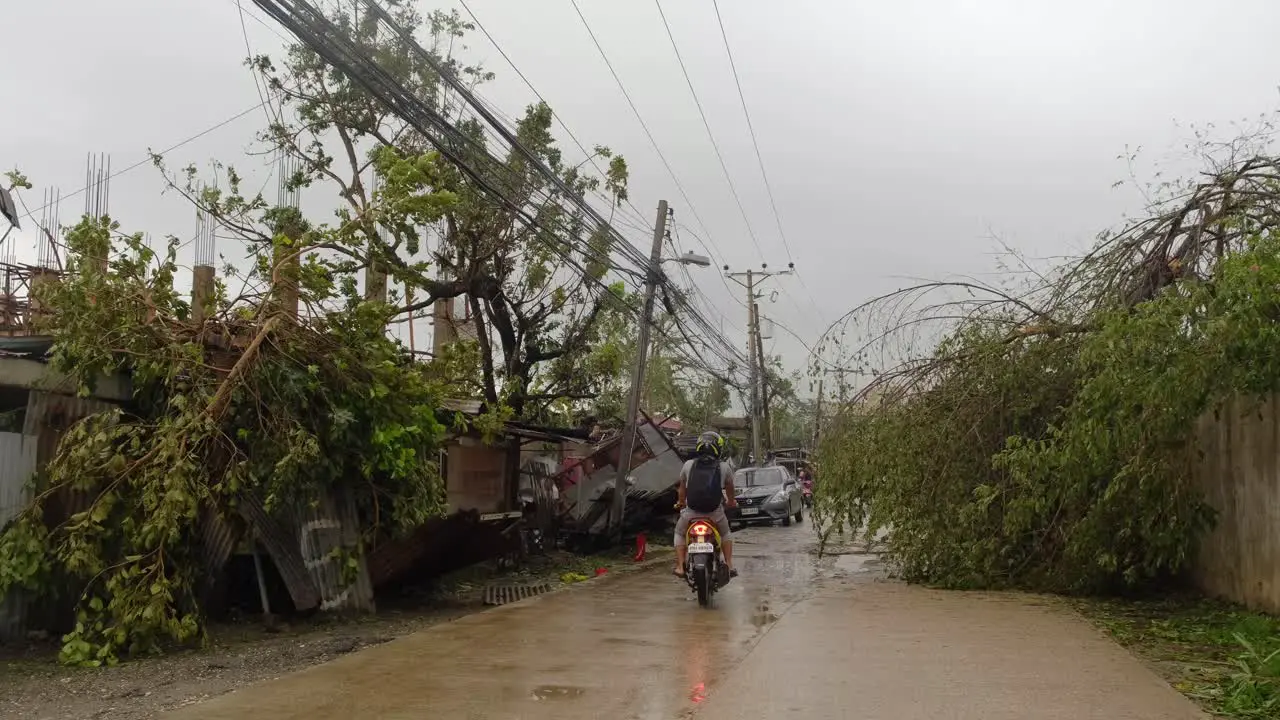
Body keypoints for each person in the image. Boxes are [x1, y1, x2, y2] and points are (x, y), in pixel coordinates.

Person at [673, 431, 738, 578]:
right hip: (715, 513)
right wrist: (731, 502)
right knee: (726, 533)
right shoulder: (724, 467)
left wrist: (681, 503)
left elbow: (682, 489)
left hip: (691, 513)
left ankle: (680, 567)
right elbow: (730, 489)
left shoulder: (688, 465)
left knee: (679, 533)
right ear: (719, 448)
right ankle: (729, 565)